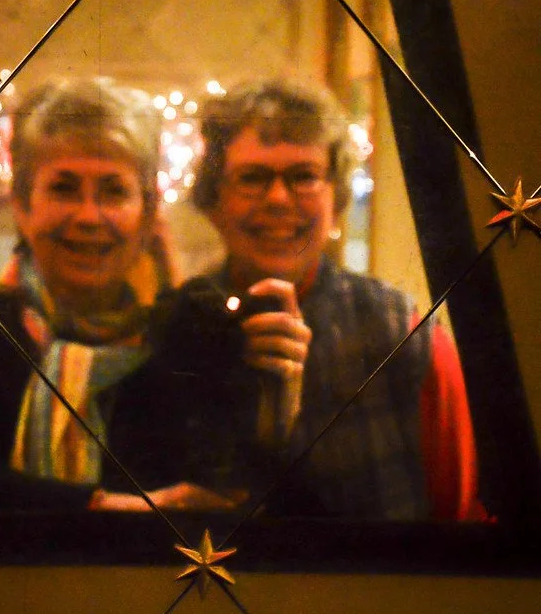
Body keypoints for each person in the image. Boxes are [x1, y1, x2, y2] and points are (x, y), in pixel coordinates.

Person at [0, 76, 243, 512]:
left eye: (114, 191)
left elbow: (230, 489)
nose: (89, 216)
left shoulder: (179, 345)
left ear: (148, 214)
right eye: (64, 188)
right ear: (22, 204)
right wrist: (127, 510)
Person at [181, 77, 484, 520]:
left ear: (337, 201)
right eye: (253, 178)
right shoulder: (180, 324)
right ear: (213, 201)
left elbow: (461, 516)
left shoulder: (402, 332)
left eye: (304, 176)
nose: (278, 199)